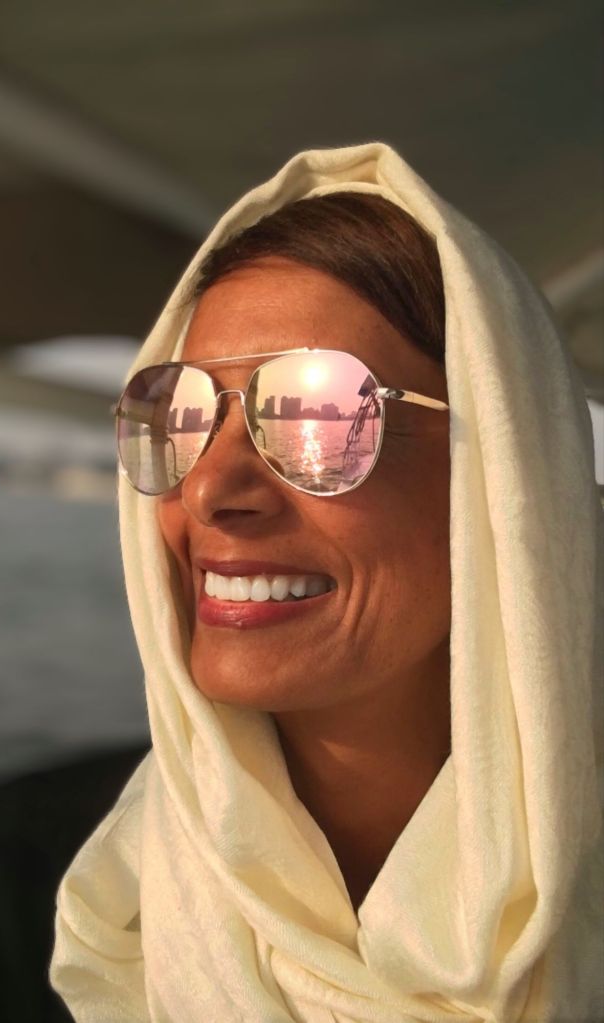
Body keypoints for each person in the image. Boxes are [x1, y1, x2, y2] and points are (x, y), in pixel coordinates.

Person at [51, 143, 603, 1021]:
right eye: (179, 414)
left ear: (507, 477)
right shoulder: (62, 897)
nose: (209, 489)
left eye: (320, 409)